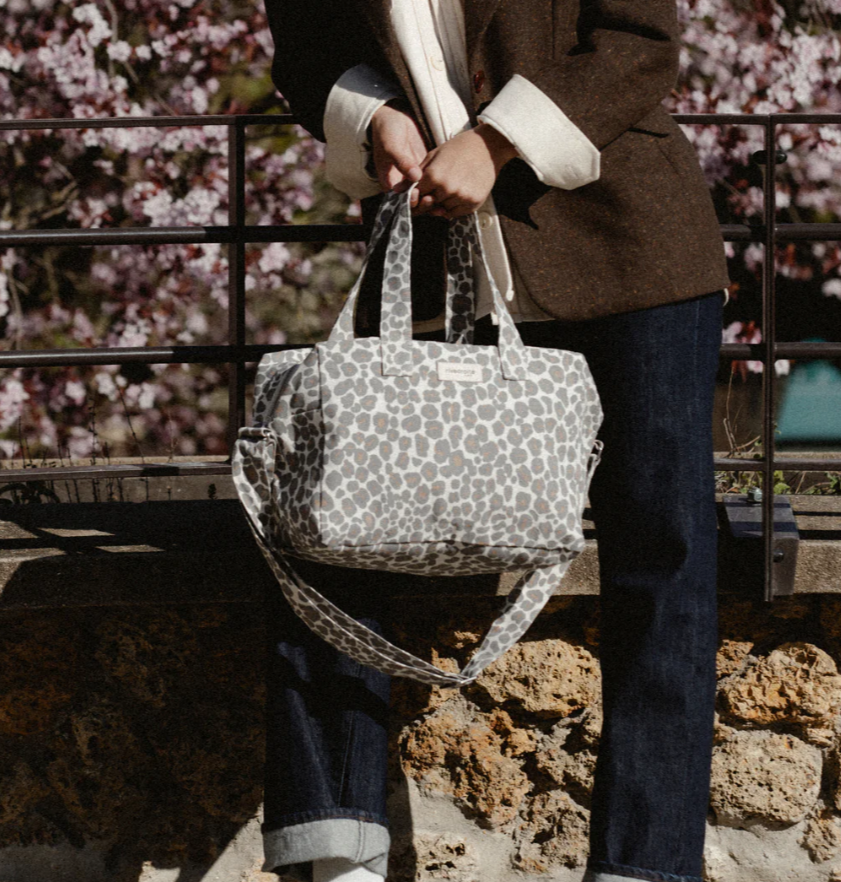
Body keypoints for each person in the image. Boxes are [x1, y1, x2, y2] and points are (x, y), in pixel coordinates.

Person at [257, 2, 731, 882]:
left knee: (660, 552)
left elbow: (638, 42)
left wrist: (495, 140)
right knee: (338, 524)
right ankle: (338, 853)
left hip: (628, 251)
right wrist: (375, 116)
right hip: (433, 258)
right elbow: (309, 51)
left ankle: (645, 865)